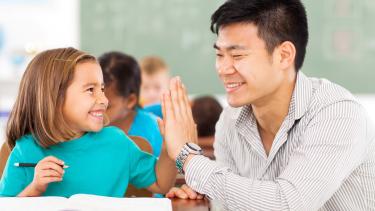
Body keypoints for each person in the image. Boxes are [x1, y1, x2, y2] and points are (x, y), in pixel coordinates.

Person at [162, 0, 375, 210]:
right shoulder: (230, 121)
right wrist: (206, 194)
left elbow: (287, 204)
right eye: (219, 55)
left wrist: (188, 157)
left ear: (284, 56)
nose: (223, 69)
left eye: (237, 55)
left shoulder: (337, 113)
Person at [0, 47, 176, 197]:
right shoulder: (25, 150)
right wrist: (34, 189)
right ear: (54, 98)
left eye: (102, 89)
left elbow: (161, 183)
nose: (104, 100)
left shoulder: (116, 142)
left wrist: (168, 148)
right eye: (91, 90)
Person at [98, 51, 163, 157]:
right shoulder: (87, 125)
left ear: (130, 101)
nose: (96, 110)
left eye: (106, 107)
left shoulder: (153, 131)